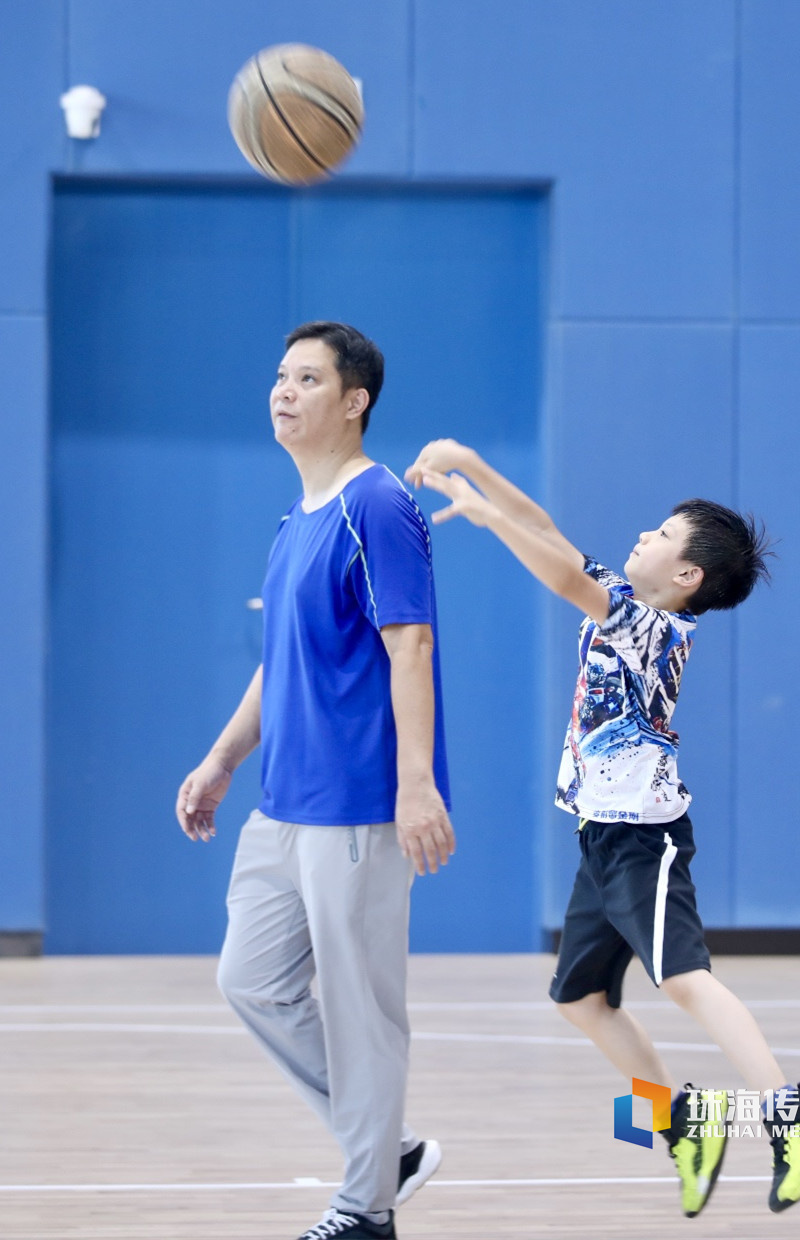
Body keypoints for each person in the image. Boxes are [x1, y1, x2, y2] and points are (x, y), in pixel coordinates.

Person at [405, 438, 800, 1219]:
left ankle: (794, 1114)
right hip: (600, 838)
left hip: (646, 838)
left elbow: (558, 570)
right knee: (579, 998)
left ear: (688, 578)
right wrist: (475, 471)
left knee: (682, 978)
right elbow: (546, 529)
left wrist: (480, 517)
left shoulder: (657, 629)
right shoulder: (629, 602)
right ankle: (684, 1126)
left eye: (663, 534)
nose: (643, 535)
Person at [176, 323, 455, 1240]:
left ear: (354, 399)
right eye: (280, 376)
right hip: (282, 802)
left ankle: (366, 1206)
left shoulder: (376, 506)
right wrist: (222, 759)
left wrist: (417, 786)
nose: (283, 391)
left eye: (306, 377)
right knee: (249, 978)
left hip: (361, 801)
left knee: (359, 1008)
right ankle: (391, 1150)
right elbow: (278, 663)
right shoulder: (297, 516)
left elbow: (408, 642)